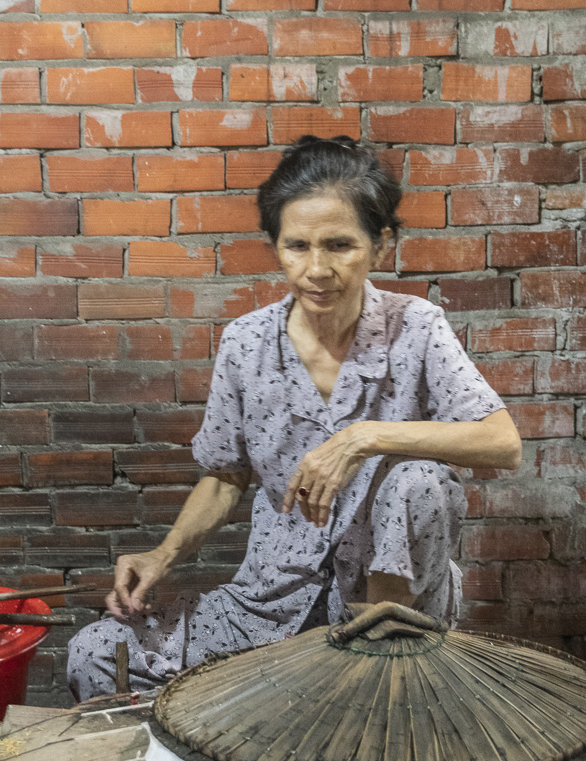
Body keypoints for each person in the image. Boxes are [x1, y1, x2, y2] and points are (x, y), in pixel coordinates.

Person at [68, 135, 522, 701]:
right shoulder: (246, 343)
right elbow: (226, 474)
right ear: (276, 247)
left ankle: (383, 670)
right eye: (297, 246)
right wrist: (163, 554)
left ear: (381, 245)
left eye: (339, 245)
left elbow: (503, 442)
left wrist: (364, 437)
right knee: (95, 653)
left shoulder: (417, 327)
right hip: (271, 601)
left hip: (389, 604)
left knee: (419, 478)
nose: (317, 269)